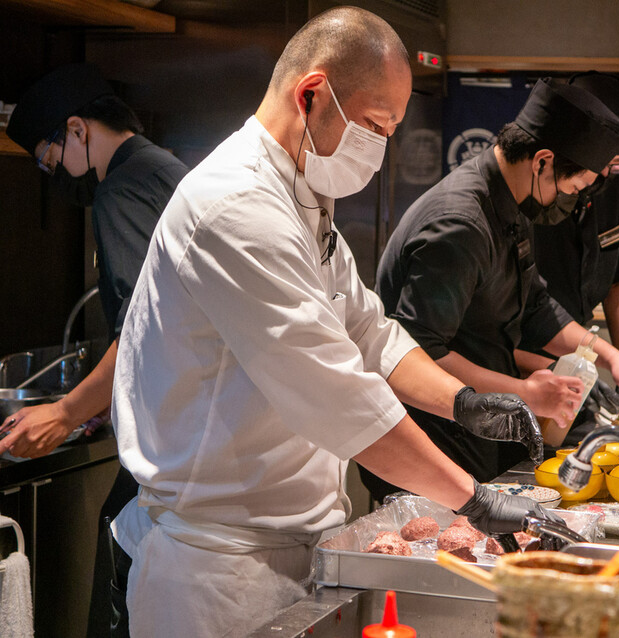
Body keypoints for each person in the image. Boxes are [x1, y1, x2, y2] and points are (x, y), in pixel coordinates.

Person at [107, 7, 551, 636]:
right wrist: (471, 498)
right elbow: (338, 395)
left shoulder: (301, 198)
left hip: (291, 547)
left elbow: (369, 331)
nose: (381, 147)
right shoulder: (238, 207)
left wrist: (465, 402)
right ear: (311, 94)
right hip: (219, 574)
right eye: (375, 126)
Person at [360, 78, 619, 504]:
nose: (571, 200)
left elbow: (534, 307)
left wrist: (613, 358)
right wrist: (525, 393)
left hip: (476, 427)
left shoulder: (510, 204)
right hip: (428, 440)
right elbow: (418, 351)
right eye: (572, 189)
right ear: (542, 162)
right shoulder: (459, 224)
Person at [1, 62, 189, 636]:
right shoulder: (166, 169)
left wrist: (64, 412)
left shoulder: (122, 188)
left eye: (47, 158)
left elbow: (140, 326)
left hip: (170, 442)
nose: (52, 173)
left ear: (77, 130)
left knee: (121, 578)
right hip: (197, 433)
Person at [521, 72, 619, 439]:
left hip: (575, 365)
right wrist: (581, 366)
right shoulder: (532, 189)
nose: (608, 174)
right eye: (605, 162)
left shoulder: (615, 182)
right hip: (518, 374)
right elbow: (525, 314)